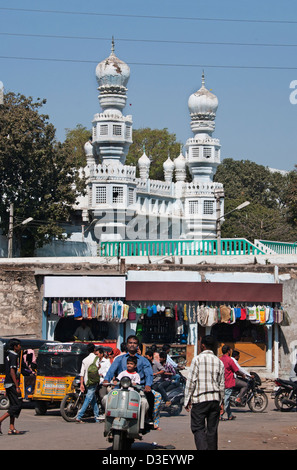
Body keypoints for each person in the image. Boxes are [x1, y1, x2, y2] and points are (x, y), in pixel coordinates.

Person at [184, 335, 225, 450]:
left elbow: (191, 381)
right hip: (214, 400)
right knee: (212, 431)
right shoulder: (219, 362)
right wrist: (222, 402)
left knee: (198, 429)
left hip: (200, 400)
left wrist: (187, 400)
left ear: (203, 345)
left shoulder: (197, 359)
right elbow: (221, 385)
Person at [103, 335, 154, 422]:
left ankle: (142, 422)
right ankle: (109, 421)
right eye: (130, 343)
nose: (132, 345)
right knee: (106, 399)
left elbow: (149, 374)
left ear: (137, 345)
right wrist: (107, 379)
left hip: (137, 389)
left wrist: (148, 385)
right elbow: (111, 371)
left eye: (134, 343)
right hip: (120, 388)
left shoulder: (143, 360)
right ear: (127, 345)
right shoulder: (119, 359)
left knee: (144, 403)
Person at [0, 338, 23, 435]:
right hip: (12, 383)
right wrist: (17, 386)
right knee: (18, 405)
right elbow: (12, 372)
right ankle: (0, 420)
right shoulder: (13, 356)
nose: (20, 347)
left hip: (8, 383)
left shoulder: (8, 355)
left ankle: (11, 428)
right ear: (15, 347)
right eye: (19, 345)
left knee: (13, 405)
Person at [220, 345, 247, 420]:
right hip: (228, 382)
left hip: (221, 382)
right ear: (228, 351)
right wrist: (243, 375)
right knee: (226, 400)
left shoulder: (219, 359)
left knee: (225, 399)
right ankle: (220, 414)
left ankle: (230, 415)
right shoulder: (230, 360)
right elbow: (237, 371)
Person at [75, 343, 101, 423]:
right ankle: (79, 416)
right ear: (94, 350)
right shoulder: (96, 358)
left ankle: (97, 417)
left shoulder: (85, 360)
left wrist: (82, 384)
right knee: (88, 398)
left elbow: (81, 373)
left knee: (92, 399)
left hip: (86, 381)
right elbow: (97, 368)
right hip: (93, 381)